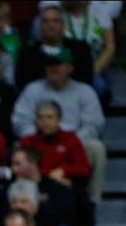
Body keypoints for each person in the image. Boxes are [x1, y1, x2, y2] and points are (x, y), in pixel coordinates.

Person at [12, 47, 107, 204]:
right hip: (37, 145)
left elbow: (94, 124)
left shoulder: (85, 91)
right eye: (50, 65)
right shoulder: (32, 90)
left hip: (75, 141)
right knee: (20, 151)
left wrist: (69, 142)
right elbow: (19, 120)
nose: (53, 68)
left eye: (58, 64)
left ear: (69, 68)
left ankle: (92, 202)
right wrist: (36, 136)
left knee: (97, 147)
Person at [14, 5, 94, 88]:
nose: (50, 25)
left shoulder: (80, 50)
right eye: (45, 21)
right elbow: (21, 83)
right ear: (40, 26)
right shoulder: (27, 53)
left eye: (55, 21)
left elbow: (86, 80)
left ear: (63, 25)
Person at [62, 0, 117, 97]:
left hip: (94, 68)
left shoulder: (99, 10)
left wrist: (93, 69)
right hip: (64, 68)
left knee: (101, 88)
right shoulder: (57, 13)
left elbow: (110, 46)